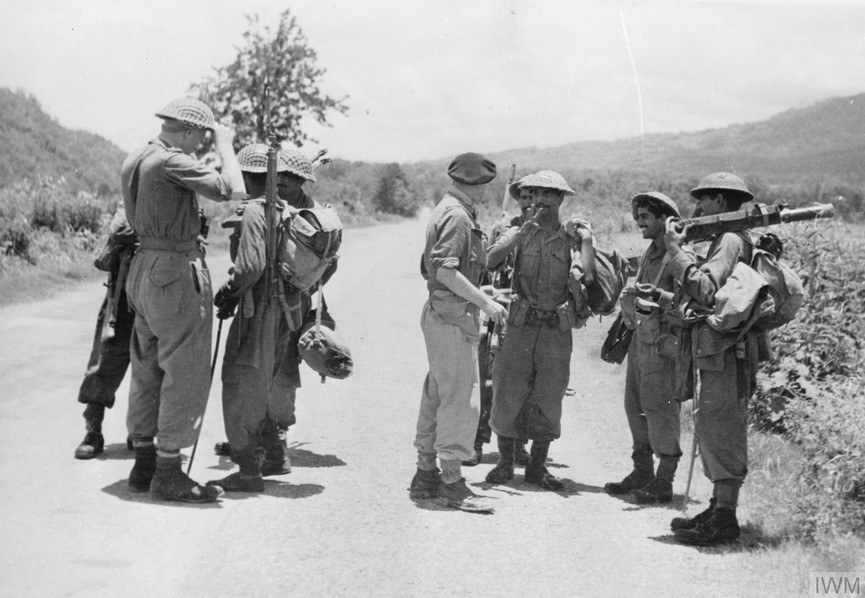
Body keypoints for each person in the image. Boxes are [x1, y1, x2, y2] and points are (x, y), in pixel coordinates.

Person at [122, 97, 245, 503]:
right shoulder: (172, 162)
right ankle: (169, 470)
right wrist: (226, 144)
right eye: (203, 137)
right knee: (185, 366)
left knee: (146, 366)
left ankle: (144, 462)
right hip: (173, 270)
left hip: (143, 267)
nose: (202, 145)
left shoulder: (137, 156)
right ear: (190, 131)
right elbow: (233, 189)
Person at [207, 144, 338, 492]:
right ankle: (275, 455)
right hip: (288, 311)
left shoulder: (256, 211)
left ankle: (249, 469)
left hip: (260, 311)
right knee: (269, 379)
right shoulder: (286, 211)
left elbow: (249, 267)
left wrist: (229, 292)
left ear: (250, 177)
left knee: (241, 382)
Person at [661, 172, 759, 545]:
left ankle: (725, 518)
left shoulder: (730, 239)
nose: (697, 207)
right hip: (716, 350)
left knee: (722, 429)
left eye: (703, 200)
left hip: (726, 352)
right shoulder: (727, 239)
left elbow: (706, 291)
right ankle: (718, 507)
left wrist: (675, 251)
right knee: (712, 426)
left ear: (720, 201)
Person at [484, 170, 594, 491]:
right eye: (535, 193)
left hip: (554, 329)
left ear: (561, 199)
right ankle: (505, 463)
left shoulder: (572, 237)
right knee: (507, 390)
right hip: (519, 325)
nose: (541, 200)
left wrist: (586, 239)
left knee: (549, 395)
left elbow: (587, 275)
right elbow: (491, 261)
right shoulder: (517, 230)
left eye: (549, 194)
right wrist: (520, 235)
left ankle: (537, 465)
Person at [410, 152, 507, 513]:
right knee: (459, 399)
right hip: (452, 318)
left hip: (443, 312)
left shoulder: (446, 209)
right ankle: (451, 482)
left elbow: (435, 270)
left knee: (438, 393)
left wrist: (479, 293)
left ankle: (426, 474)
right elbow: (446, 271)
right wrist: (485, 302)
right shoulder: (457, 216)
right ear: (478, 184)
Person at [604, 192, 688, 503]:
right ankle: (642, 471)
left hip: (664, 345)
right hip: (642, 341)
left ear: (666, 220)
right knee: (635, 406)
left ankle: (664, 481)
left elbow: (689, 303)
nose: (640, 220)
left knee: (660, 410)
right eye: (637, 214)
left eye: (646, 216)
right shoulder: (651, 253)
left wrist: (655, 299)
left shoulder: (679, 255)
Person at [462, 177, 533, 468]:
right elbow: (487, 266)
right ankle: (477, 441)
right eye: (525, 196)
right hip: (501, 311)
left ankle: (518, 444)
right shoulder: (503, 228)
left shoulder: (552, 230)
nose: (530, 202)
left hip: (531, 318)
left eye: (536, 196)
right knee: (488, 379)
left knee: (524, 382)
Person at [74, 201, 137, 459]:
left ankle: (142, 433)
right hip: (121, 299)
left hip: (159, 298)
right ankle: (93, 430)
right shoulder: (130, 199)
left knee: (156, 368)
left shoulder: (174, 191)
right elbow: (119, 228)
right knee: (104, 364)